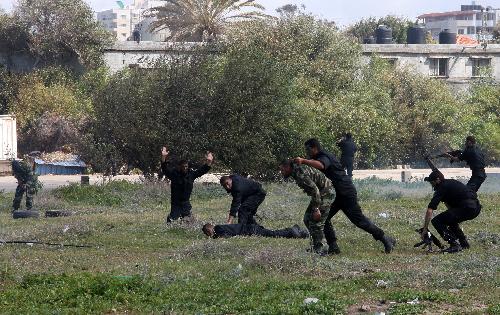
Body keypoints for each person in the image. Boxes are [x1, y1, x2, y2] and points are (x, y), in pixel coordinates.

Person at [294, 138, 396, 254]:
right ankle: (333, 247)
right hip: (334, 195)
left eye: (308, 149)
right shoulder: (318, 157)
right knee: (323, 217)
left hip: (345, 193)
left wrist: (303, 161)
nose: (307, 153)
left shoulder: (323, 155)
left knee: (359, 221)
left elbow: (322, 165)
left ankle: (385, 239)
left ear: (314, 148)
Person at [279, 159, 333, 255]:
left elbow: (315, 190)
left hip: (325, 193)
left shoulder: (300, 174)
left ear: (288, 167)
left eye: (282, 170)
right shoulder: (295, 171)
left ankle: (322, 249)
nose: (281, 172)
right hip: (320, 194)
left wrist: (316, 209)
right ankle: (316, 247)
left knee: (316, 222)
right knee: (307, 219)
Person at [421, 170, 481, 253]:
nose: (432, 184)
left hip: (466, 207)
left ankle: (454, 245)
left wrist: (425, 229)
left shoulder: (441, 187)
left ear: (438, 180)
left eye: (432, 182)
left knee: (436, 221)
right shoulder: (450, 183)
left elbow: (430, 209)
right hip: (475, 207)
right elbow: (450, 208)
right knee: (450, 219)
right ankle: (464, 244)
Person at [161, 147, 213, 222]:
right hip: (176, 203)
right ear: (179, 167)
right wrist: (163, 157)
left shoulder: (191, 174)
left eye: (186, 166)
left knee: (188, 221)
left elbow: (202, 170)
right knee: (173, 220)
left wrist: (209, 162)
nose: (185, 168)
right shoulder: (174, 175)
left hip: (185, 202)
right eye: (183, 167)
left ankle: (186, 219)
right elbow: (164, 169)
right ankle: (170, 218)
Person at [202, 223, 309, 239]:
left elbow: (225, 236)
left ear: (209, 230)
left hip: (251, 229)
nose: (208, 235)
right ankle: (290, 230)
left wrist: (215, 238)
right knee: (272, 233)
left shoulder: (218, 229)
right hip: (250, 228)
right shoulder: (218, 230)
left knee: (272, 234)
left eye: (207, 233)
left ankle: (292, 232)